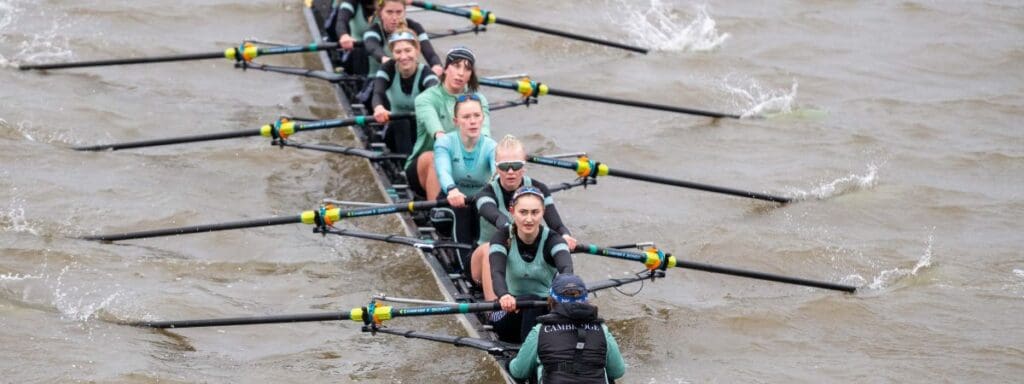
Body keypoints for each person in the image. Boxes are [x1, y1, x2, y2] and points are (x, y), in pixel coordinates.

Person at [471, 135, 577, 302]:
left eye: (516, 165)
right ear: (496, 168)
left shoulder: (539, 189)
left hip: (520, 257)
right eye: (505, 166)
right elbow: (497, 218)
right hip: (487, 259)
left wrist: (564, 236)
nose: (511, 171)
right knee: (488, 247)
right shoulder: (485, 194)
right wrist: (514, 227)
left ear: (524, 166)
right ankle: (495, 308)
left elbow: (556, 223)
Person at [489, 186, 573, 343]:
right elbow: (497, 273)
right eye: (523, 212)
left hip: (544, 308)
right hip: (508, 310)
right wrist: (504, 295)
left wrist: (568, 289)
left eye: (535, 212)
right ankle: (528, 357)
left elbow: (567, 270)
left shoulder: (554, 240)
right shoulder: (501, 237)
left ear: (543, 213)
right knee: (531, 301)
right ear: (512, 211)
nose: (529, 219)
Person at [509, 274, 627, 383]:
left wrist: (511, 361)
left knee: (532, 368)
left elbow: (518, 372)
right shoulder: (602, 329)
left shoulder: (540, 330)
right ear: (585, 299)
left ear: (551, 301)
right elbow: (618, 371)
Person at [407, 46, 491, 200]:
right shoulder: (425, 99)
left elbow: (485, 135)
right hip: (424, 168)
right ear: (445, 69)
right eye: (456, 66)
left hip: (462, 168)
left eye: (467, 69)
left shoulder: (479, 100)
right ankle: (437, 214)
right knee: (436, 156)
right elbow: (438, 133)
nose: (461, 73)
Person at [433, 93, 496, 269]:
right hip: (448, 205)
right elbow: (443, 171)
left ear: (483, 118)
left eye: (476, 116)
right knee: (462, 211)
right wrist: (452, 189)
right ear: (456, 121)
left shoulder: (491, 146)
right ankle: (465, 269)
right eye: (466, 117)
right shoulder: (445, 142)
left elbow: (497, 172)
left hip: (478, 204)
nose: (473, 121)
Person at [371, 28, 439, 155]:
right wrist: (379, 108)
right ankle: (407, 166)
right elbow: (378, 93)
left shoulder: (427, 73)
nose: (403, 57)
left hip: (421, 130)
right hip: (395, 131)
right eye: (398, 52)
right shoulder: (388, 68)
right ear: (392, 53)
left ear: (417, 51)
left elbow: (433, 91)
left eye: (408, 50)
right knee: (401, 122)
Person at [363, 0, 443, 78]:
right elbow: (373, 48)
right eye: (389, 12)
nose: (394, 17)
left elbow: (430, 54)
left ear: (404, 12)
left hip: (407, 78)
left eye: (399, 12)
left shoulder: (414, 27)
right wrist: (384, 58)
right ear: (380, 13)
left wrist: (436, 65)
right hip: (377, 79)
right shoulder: (373, 30)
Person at [327, 0, 376, 75]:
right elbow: (341, 21)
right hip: (358, 50)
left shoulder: (387, 6)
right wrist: (343, 35)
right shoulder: (352, 2)